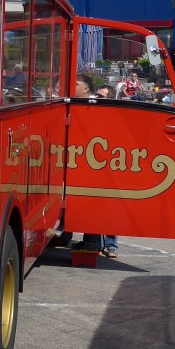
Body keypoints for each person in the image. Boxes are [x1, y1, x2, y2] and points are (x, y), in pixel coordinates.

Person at [70, 83, 119, 258]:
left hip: (111, 167)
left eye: (102, 97)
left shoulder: (116, 116)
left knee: (110, 206)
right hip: (94, 167)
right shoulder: (92, 112)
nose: (97, 99)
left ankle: (112, 246)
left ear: (111, 99)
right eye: (97, 96)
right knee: (94, 206)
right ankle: (95, 244)